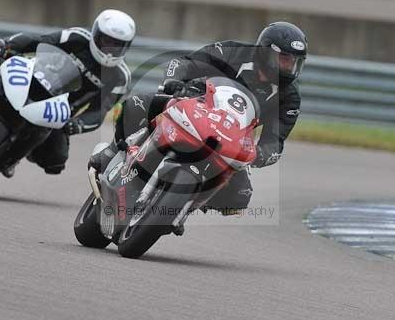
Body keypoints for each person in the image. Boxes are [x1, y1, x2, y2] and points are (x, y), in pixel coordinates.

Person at [93, 21, 306, 214]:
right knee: (136, 105)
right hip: (195, 104)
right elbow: (185, 63)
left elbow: (274, 141)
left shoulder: (290, 97)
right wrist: (174, 81)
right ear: (265, 51)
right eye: (284, 59)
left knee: (239, 198)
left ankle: (182, 207)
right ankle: (112, 151)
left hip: (229, 137)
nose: (289, 67)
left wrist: (260, 154)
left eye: (295, 62)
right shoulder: (234, 52)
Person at [0, 9, 135, 176]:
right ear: (95, 34)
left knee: (55, 161)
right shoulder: (78, 37)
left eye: (117, 44)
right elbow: (39, 40)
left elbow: (99, 111)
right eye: (106, 40)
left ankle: (14, 155)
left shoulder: (120, 78)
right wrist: (6, 44)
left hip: (57, 111)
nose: (110, 49)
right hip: (35, 78)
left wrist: (75, 125)